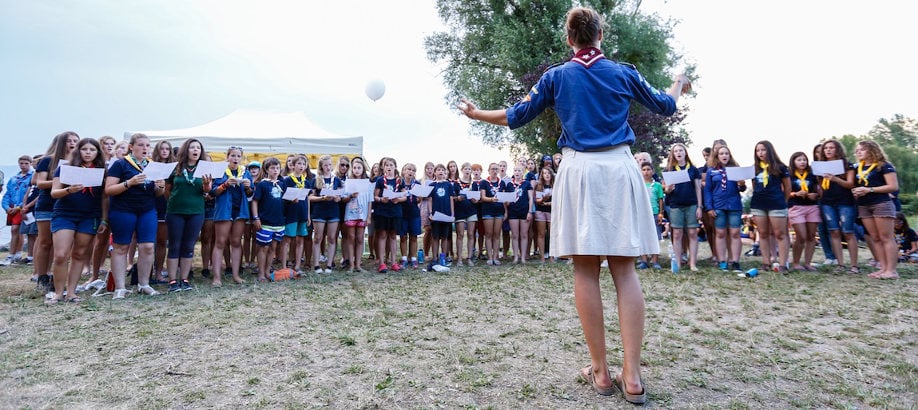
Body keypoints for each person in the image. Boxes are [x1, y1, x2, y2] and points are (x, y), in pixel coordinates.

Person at [459, 7, 689, 403]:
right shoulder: (623, 72)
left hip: (580, 169)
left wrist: (476, 112)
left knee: (585, 270)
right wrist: (678, 83)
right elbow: (666, 106)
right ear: (601, 34)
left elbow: (516, 116)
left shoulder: (557, 76)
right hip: (619, 165)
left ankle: (601, 372)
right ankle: (632, 377)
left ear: (570, 39)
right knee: (625, 270)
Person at [104, 133, 164, 299]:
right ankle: (120, 287)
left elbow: (158, 194)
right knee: (121, 247)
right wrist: (129, 183)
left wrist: (161, 187)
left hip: (147, 209)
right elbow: (109, 189)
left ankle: (144, 284)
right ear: (131, 147)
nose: (145, 148)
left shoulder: (152, 165)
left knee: (148, 247)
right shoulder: (120, 164)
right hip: (123, 209)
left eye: (147, 145)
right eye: (141, 145)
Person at [48, 138, 108, 303]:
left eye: (92, 150)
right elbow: (54, 192)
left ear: (97, 153)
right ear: (78, 151)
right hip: (65, 213)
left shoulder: (102, 170)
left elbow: (104, 197)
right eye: (84, 149)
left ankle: (71, 292)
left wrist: (104, 219)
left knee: (80, 253)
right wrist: (69, 189)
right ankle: (58, 293)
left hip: (90, 215)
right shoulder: (66, 168)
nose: (88, 152)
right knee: (60, 254)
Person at [163, 139, 212, 290]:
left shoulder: (204, 168)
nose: (195, 150)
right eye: (192, 147)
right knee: (174, 245)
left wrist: (206, 184)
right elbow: (167, 190)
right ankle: (172, 281)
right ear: (186, 150)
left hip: (196, 212)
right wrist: (175, 201)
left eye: (198, 148)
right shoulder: (175, 168)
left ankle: (184, 279)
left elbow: (207, 191)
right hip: (175, 212)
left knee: (189, 246)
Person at [33, 132, 79, 294]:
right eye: (69, 141)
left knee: (63, 245)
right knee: (45, 242)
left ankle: (57, 277)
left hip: (68, 206)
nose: (72, 143)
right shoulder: (48, 160)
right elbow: (39, 183)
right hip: (48, 205)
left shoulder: (77, 162)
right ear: (61, 143)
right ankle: (42, 276)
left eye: (75, 141)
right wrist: (61, 180)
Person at [851, 140, 899, 279]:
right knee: (875, 238)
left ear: (872, 150)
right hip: (864, 205)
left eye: (862, 149)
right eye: (857, 150)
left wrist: (869, 189)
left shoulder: (884, 166)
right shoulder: (857, 168)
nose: (858, 152)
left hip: (881, 203)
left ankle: (892, 271)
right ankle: (883, 268)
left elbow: (893, 186)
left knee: (886, 237)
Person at [210, 146, 252, 286]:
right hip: (224, 210)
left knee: (236, 242)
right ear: (227, 156)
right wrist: (225, 184)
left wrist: (247, 187)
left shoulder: (245, 172)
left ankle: (236, 275)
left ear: (241, 158)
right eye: (233, 155)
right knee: (220, 242)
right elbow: (213, 192)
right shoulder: (220, 170)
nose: (235, 158)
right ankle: (217, 277)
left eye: (238, 156)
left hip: (240, 210)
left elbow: (250, 193)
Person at [818, 139, 858, 273]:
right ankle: (840, 264)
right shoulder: (820, 166)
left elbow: (850, 184)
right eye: (825, 148)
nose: (828, 150)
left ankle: (854, 265)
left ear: (838, 150)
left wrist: (835, 178)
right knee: (833, 231)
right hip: (827, 202)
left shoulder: (847, 165)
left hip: (844, 201)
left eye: (831, 148)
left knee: (848, 232)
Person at [750, 140, 791, 273]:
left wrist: (783, 200)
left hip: (776, 204)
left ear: (769, 150)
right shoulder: (754, 168)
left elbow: (788, 187)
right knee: (762, 233)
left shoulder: (780, 167)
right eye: (758, 150)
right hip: (759, 204)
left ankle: (783, 264)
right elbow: (754, 185)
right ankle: (766, 262)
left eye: (763, 150)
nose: (760, 153)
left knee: (780, 233)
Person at [704, 144, 746, 272]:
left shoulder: (735, 169)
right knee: (720, 233)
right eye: (721, 154)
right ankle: (722, 261)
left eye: (726, 153)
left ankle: (735, 261)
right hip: (718, 205)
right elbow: (708, 190)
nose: (724, 156)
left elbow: (742, 189)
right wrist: (709, 207)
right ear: (717, 156)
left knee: (735, 233)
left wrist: (742, 184)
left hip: (734, 205)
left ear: (730, 156)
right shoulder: (711, 171)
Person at [662, 143, 702, 271]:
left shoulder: (693, 170)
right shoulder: (669, 170)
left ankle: (692, 263)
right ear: (673, 155)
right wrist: (668, 189)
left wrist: (699, 206)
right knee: (677, 234)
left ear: (685, 153)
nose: (678, 153)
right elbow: (667, 191)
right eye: (676, 151)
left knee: (692, 233)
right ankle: (678, 263)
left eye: (681, 150)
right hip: (675, 205)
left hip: (691, 204)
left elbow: (698, 188)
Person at [251, 157, 286, 281]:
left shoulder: (282, 184)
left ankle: (267, 271)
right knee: (263, 247)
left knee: (273, 248)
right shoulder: (262, 184)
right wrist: (256, 218)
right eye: (272, 168)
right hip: (265, 222)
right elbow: (255, 201)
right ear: (266, 169)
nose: (275, 170)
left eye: (277, 168)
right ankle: (260, 273)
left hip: (279, 222)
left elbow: (286, 200)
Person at [309, 155, 343, 273]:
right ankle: (317, 265)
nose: (328, 167)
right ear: (321, 167)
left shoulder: (337, 180)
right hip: (319, 211)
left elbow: (340, 197)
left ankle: (329, 264)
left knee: (332, 238)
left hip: (333, 211)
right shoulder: (316, 179)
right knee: (318, 238)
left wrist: (337, 198)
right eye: (325, 165)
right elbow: (310, 197)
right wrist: (322, 198)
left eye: (329, 165)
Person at [787, 152, 820, 271]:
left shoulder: (812, 175)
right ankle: (796, 263)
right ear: (793, 162)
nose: (802, 162)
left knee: (811, 236)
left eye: (804, 160)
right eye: (799, 160)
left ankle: (808, 263)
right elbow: (784, 192)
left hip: (812, 207)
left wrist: (815, 195)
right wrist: (795, 193)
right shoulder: (789, 175)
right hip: (796, 206)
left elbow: (818, 191)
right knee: (801, 235)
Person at [372, 157, 406, 273]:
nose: (389, 167)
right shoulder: (380, 180)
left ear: (395, 167)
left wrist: (398, 200)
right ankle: (382, 263)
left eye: (391, 165)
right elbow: (375, 197)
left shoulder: (399, 181)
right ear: (383, 167)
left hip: (395, 212)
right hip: (383, 212)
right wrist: (382, 200)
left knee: (392, 236)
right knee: (382, 236)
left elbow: (404, 196)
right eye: (387, 165)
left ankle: (394, 262)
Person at [282, 155, 312, 275]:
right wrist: (290, 200)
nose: (301, 166)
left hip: (302, 214)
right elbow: (283, 198)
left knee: (300, 240)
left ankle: (298, 265)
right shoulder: (287, 180)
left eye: (303, 164)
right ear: (293, 165)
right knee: (287, 240)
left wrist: (308, 216)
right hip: (291, 215)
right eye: (299, 164)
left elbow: (308, 199)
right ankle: (284, 266)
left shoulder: (307, 182)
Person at [2, 155, 34, 266]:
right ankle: (17, 254)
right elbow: (7, 194)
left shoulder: (32, 176)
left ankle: (12, 254)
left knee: (17, 230)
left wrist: (19, 207)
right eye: (21, 163)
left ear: (30, 164)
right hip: (12, 207)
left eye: (26, 163)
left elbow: (29, 194)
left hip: (22, 208)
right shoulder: (14, 178)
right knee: (16, 231)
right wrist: (6, 207)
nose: (23, 165)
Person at [342, 156, 372, 272]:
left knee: (360, 239)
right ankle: (351, 264)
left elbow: (370, 201)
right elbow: (343, 198)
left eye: (359, 167)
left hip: (362, 215)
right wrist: (350, 196)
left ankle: (358, 265)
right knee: (351, 238)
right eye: (354, 168)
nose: (356, 170)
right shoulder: (348, 182)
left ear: (363, 169)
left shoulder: (368, 184)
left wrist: (368, 216)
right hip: (350, 214)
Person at [474, 163, 507, 266]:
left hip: (499, 210)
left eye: (496, 169)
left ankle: (496, 257)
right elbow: (482, 197)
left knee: (497, 235)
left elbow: (504, 198)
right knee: (488, 234)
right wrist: (492, 199)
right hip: (487, 210)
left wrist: (506, 211)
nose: (494, 171)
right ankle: (489, 257)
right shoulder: (484, 182)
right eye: (492, 169)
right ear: (488, 170)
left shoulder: (502, 183)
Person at [151, 140, 174, 282]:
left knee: (161, 241)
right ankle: (146, 274)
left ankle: (159, 272)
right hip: (150, 206)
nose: (164, 151)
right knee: (147, 242)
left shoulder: (175, 169)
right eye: (162, 148)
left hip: (166, 206)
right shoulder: (149, 166)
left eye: (167, 149)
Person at [505, 165, 534, 264]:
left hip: (524, 211)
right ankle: (516, 257)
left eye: (519, 171)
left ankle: (523, 257)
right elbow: (506, 199)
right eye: (515, 170)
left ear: (523, 172)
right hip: (513, 211)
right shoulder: (509, 184)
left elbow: (531, 198)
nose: (517, 172)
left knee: (524, 234)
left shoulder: (527, 184)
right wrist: (507, 203)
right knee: (514, 235)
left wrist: (530, 211)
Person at [638, 163, 664, 269]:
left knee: (655, 236)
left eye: (648, 169)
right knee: (642, 236)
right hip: (642, 213)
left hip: (654, 213)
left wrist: (661, 213)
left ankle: (655, 261)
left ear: (652, 171)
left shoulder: (657, 185)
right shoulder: (639, 184)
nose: (646, 172)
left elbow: (660, 199)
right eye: (644, 169)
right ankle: (644, 260)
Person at [398, 163, 422, 268]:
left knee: (413, 236)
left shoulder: (417, 183)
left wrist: (418, 198)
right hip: (402, 213)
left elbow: (420, 198)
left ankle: (413, 258)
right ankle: (403, 258)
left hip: (414, 213)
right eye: (409, 169)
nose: (411, 172)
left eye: (413, 170)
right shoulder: (399, 183)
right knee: (403, 237)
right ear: (403, 171)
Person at [453, 162, 477, 266]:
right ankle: (459, 259)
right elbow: (452, 198)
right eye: (466, 169)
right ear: (462, 170)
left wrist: (474, 199)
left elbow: (477, 199)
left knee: (471, 234)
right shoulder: (456, 183)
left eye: (469, 169)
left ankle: (469, 258)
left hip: (471, 211)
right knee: (460, 235)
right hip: (460, 211)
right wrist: (457, 198)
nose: (467, 171)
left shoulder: (474, 184)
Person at [532, 166, 555, 263]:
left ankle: (552, 257)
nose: (547, 175)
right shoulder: (538, 185)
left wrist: (549, 203)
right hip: (540, 210)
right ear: (542, 175)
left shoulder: (555, 185)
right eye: (545, 173)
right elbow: (536, 200)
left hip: (551, 211)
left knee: (552, 234)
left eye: (549, 173)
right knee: (541, 234)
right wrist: (542, 199)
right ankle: (542, 257)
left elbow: (559, 200)